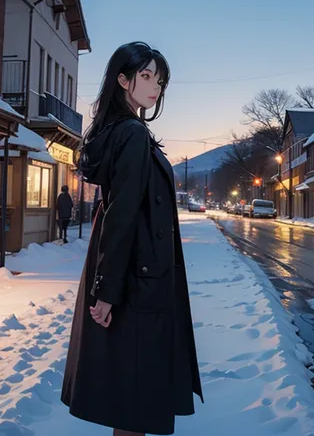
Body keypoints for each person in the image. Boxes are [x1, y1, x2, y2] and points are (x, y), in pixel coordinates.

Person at [61, 42, 203, 436]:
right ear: (122, 79)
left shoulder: (118, 132)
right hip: (137, 283)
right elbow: (121, 216)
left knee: (130, 398)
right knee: (136, 400)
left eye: (160, 79)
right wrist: (106, 292)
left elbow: (115, 213)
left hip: (133, 275)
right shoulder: (133, 134)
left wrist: (107, 283)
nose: (155, 86)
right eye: (145, 76)